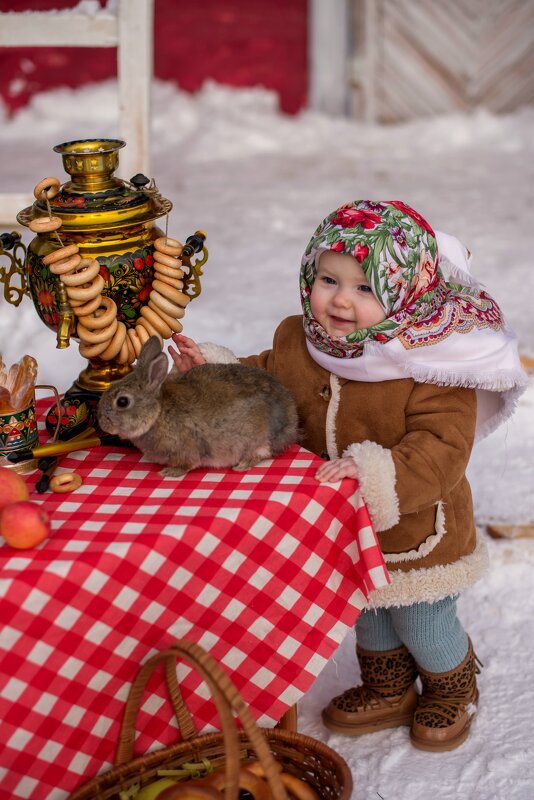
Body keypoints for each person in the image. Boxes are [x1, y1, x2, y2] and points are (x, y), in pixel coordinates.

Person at [169, 200, 527, 752]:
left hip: (418, 536)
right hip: (342, 530)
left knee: (422, 622)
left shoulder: (431, 364)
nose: (339, 299)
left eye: (366, 288)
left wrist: (373, 473)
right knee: (370, 620)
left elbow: (442, 451)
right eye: (329, 279)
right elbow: (265, 377)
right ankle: (387, 687)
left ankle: (453, 684)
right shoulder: (301, 339)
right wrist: (215, 375)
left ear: (407, 293)